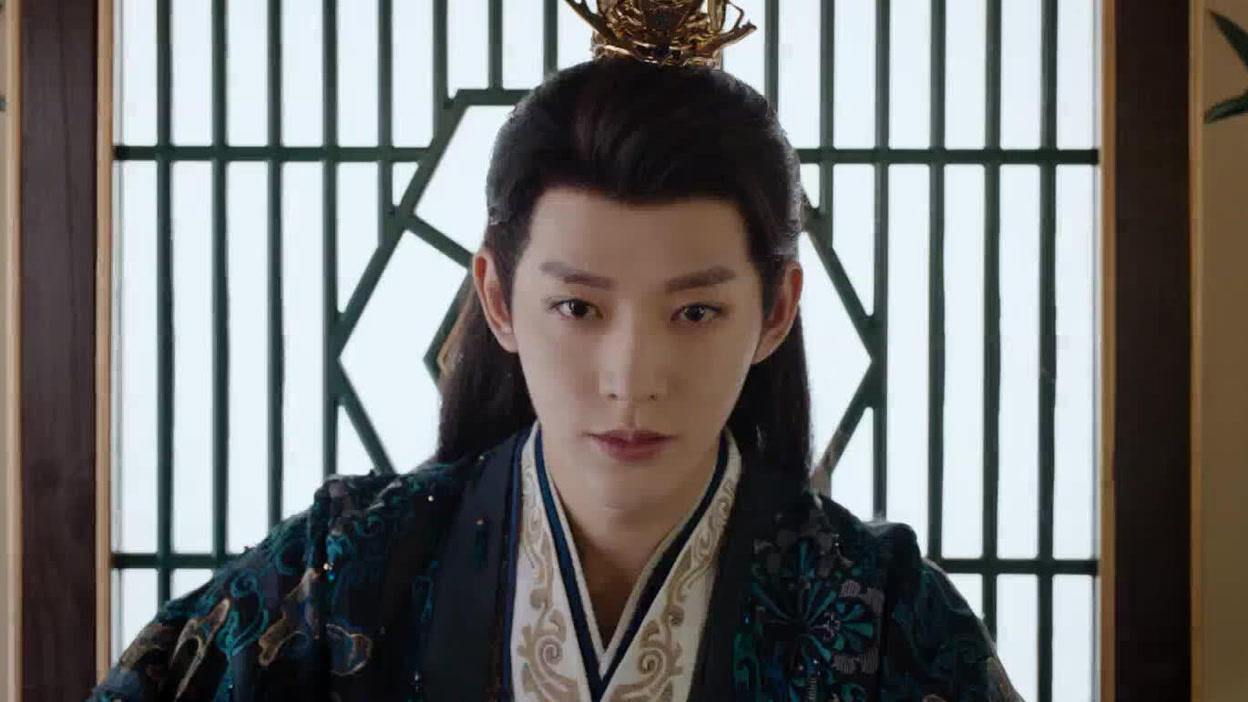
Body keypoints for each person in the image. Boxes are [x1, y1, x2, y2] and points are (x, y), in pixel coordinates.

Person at [88, 2, 1024, 700]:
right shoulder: (340, 575)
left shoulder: (883, 613)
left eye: (696, 312)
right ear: (498, 299)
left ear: (776, 312)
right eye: (578, 307)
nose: (631, 379)